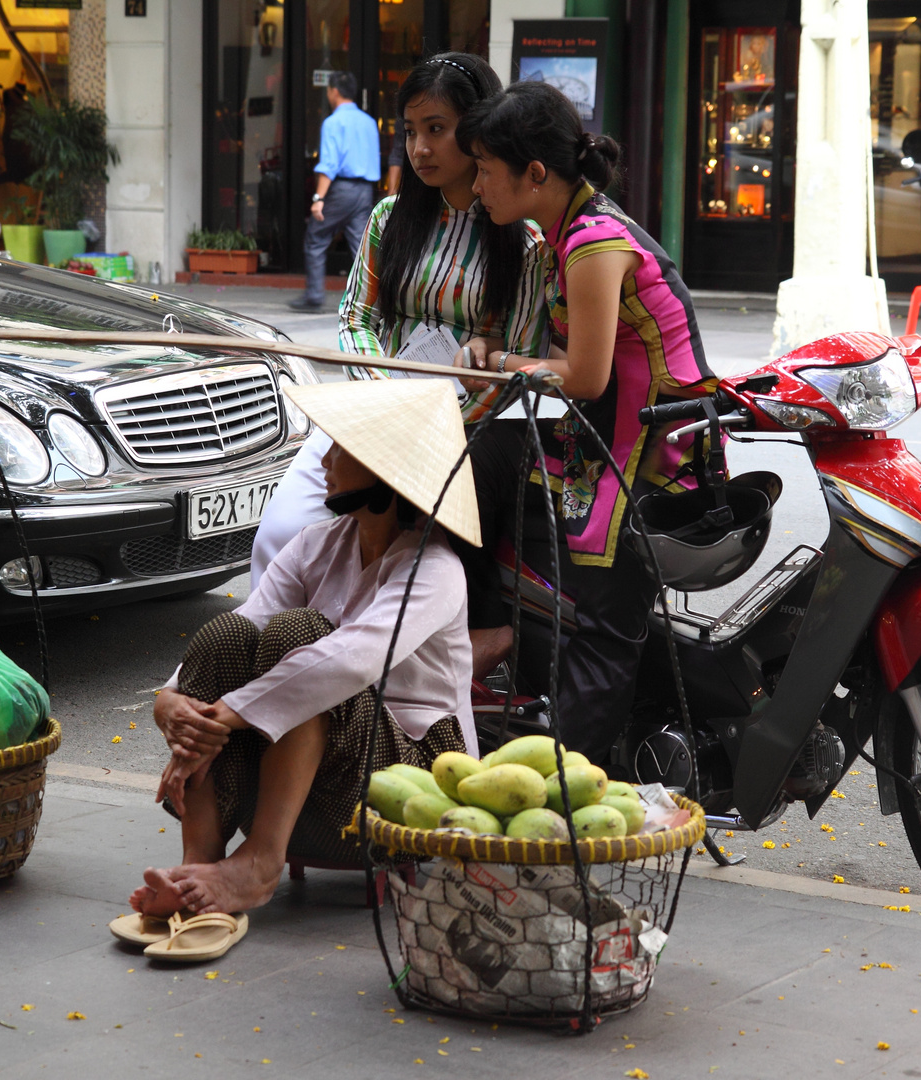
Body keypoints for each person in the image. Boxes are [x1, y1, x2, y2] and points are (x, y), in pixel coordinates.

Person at [129, 378, 478, 921]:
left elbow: (352, 659)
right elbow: (245, 623)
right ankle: (200, 859)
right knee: (228, 637)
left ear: (386, 473)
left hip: (403, 801)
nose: (326, 459)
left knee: (302, 636)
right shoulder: (316, 545)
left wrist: (226, 716)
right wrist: (171, 700)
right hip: (309, 792)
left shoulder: (434, 570)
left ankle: (261, 862)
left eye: (343, 448)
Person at [455, 81, 715, 765]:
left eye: (485, 168)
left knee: (600, 630)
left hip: (651, 454)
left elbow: (586, 375)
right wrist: (499, 355)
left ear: (533, 173)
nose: (477, 185)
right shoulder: (569, 230)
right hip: (616, 436)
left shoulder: (593, 243)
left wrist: (502, 364)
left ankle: (570, 804)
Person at [251, 52, 548, 633]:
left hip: (454, 437)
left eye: (436, 130)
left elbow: (516, 358)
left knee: (403, 572)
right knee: (284, 531)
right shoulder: (390, 219)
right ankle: (261, 664)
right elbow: (354, 318)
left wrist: (434, 427)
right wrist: (385, 405)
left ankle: (358, 688)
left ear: (478, 128)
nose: (419, 149)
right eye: (410, 132)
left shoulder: (526, 242)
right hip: (369, 418)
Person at [288, 72, 380, 312]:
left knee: (316, 238)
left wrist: (318, 199)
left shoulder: (333, 122)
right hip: (365, 190)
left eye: (328, 91)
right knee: (362, 247)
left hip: (342, 189)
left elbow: (329, 165)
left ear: (335, 91)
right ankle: (376, 298)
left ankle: (314, 296)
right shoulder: (369, 122)